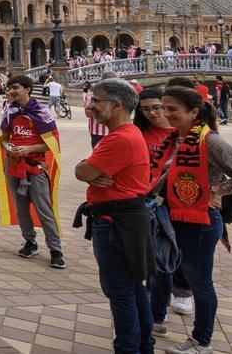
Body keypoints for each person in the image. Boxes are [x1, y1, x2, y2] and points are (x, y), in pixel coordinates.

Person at [150, 87, 232, 354]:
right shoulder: (174, 140)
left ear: (194, 112)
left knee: (199, 281)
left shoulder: (209, 141)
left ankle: (201, 341)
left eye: (172, 109)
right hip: (173, 217)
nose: (165, 114)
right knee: (175, 272)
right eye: (164, 108)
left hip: (201, 221)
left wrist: (217, 191)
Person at [72, 79, 153, 354]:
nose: (91, 106)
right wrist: (90, 169)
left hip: (116, 224)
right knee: (133, 288)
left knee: (120, 292)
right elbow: (89, 171)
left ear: (117, 105)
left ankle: (128, 348)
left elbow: (83, 172)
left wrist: (86, 168)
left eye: (97, 101)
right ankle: (144, 345)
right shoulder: (127, 134)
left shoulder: (120, 138)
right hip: (126, 220)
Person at [137, 88, 196, 326]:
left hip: (183, 199)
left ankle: (183, 291)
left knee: (180, 247)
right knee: (156, 251)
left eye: (157, 107)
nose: (153, 113)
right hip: (151, 199)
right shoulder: (140, 133)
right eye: (146, 109)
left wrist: (216, 192)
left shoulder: (185, 132)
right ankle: (155, 307)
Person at [0, 74, 65, 268]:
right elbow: (4, 137)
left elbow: (51, 144)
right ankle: (30, 241)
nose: (11, 91)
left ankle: (55, 248)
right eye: (9, 88)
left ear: (27, 89)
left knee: (44, 208)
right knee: (21, 206)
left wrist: (28, 149)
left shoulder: (42, 111)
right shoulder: (9, 111)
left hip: (34, 166)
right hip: (14, 164)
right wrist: (8, 147)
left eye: (15, 87)